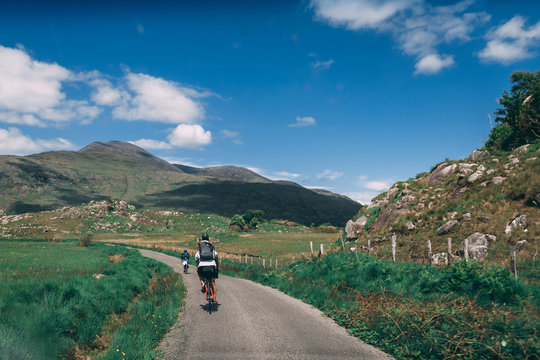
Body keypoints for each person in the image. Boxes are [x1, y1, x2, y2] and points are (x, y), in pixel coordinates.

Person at [195, 233, 219, 302]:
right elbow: (216, 257)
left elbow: (196, 258)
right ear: (208, 239)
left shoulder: (200, 247)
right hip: (212, 266)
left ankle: (202, 284)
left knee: (199, 273)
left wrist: (198, 265)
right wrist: (217, 267)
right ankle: (214, 298)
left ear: (202, 239)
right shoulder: (211, 246)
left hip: (202, 266)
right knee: (213, 282)